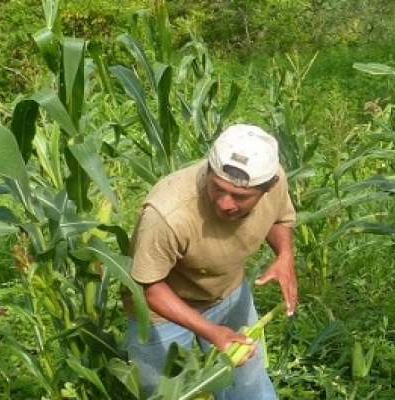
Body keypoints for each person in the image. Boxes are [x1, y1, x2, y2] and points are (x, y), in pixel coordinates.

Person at [124, 124, 298, 399]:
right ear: (208, 170)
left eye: (240, 197)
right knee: (166, 394)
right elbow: (147, 287)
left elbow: (279, 218)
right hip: (161, 311)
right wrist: (212, 332)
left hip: (229, 292)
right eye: (217, 188)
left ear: (268, 186)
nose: (225, 204)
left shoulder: (275, 180)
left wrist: (284, 256)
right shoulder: (167, 214)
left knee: (248, 384)